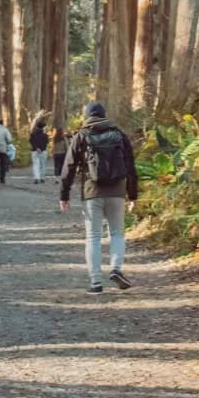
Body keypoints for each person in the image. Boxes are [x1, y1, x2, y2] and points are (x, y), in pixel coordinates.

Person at [59, 100, 138, 293]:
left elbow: (68, 167)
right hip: (117, 192)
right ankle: (116, 269)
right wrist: (133, 194)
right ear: (104, 115)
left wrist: (64, 195)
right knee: (117, 233)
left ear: (87, 116)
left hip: (92, 192)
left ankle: (95, 282)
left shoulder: (82, 135)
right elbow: (130, 165)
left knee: (93, 236)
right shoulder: (118, 134)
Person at [28, 112, 49, 185]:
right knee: (43, 165)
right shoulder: (45, 135)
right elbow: (46, 142)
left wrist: (36, 148)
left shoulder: (33, 134)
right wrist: (41, 148)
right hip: (43, 151)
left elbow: (31, 141)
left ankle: (36, 178)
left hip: (34, 151)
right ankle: (42, 178)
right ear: (43, 127)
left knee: (36, 164)